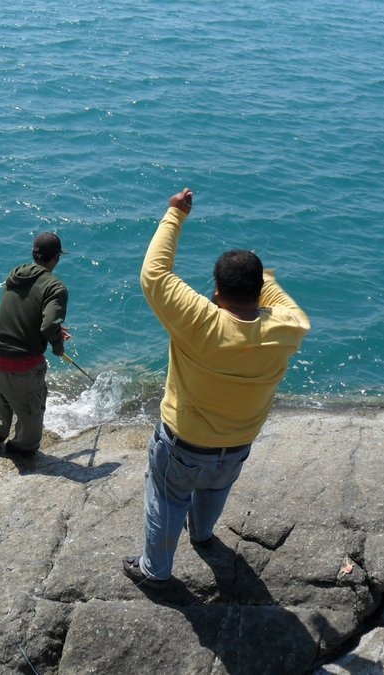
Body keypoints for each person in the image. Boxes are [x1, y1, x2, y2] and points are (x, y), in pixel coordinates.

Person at [123, 188, 311, 586]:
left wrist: (175, 213)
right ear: (258, 292)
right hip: (238, 443)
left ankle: (154, 572)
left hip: (183, 444)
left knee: (167, 500)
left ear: (216, 293)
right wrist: (264, 278)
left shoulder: (201, 322)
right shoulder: (288, 329)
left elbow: (155, 273)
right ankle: (203, 535)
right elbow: (281, 301)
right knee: (214, 489)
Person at [0, 231, 70, 455]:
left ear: (33, 254)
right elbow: (48, 327)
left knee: (3, 393)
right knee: (31, 408)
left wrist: (52, 328)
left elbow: (24, 312)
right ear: (57, 257)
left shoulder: (16, 275)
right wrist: (58, 346)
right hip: (23, 362)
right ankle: (20, 447)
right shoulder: (55, 288)